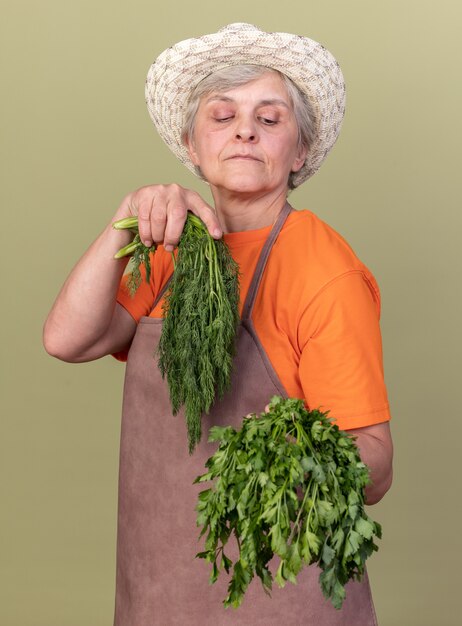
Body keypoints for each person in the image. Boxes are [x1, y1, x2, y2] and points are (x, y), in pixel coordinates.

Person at [43, 23, 393, 625]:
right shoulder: (176, 247)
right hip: (160, 586)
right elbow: (68, 339)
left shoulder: (323, 271)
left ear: (300, 151)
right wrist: (124, 222)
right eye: (223, 115)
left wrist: (287, 452)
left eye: (271, 118)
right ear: (191, 143)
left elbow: (377, 466)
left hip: (284, 590)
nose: (245, 130)